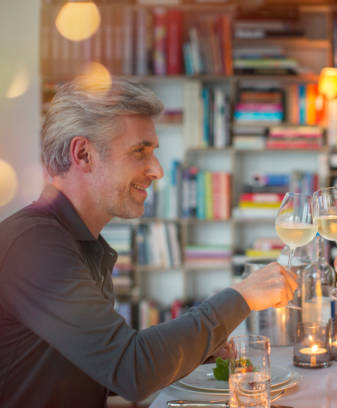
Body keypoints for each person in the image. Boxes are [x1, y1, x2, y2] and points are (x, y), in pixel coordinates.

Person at [0, 77, 298, 407]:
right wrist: (241, 296)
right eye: (139, 152)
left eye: (153, 153)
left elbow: (100, 368)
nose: (157, 170)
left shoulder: (75, 242)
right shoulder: (34, 246)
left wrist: (194, 351)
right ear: (83, 154)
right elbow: (131, 371)